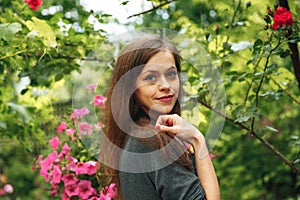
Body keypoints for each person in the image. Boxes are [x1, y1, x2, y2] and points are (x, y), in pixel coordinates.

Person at [97, 35, 220, 200]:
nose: (166, 86)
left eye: (171, 74)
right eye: (150, 77)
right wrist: (198, 139)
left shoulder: (138, 137)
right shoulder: (149, 141)